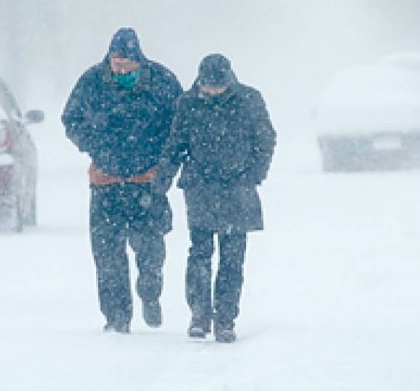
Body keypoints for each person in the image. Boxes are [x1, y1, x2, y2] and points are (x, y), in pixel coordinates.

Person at [61, 27, 182, 333]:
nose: (122, 68)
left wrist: (162, 162)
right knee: (107, 254)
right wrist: (95, 146)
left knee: (150, 249)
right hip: (106, 181)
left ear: (139, 59)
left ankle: (150, 292)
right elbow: (71, 119)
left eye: (128, 63)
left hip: (147, 181)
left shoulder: (162, 82)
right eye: (117, 62)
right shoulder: (92, 82)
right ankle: (117, 317)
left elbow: (179, 126)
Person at [153, 53, 276, 343]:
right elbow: (176, 144)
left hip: (238, 188)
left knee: (233, 259)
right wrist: (163, 180)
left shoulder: (249, 100)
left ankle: (225, 319)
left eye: (217, 87)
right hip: (200, 188)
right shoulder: (188, 103)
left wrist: (255, 174)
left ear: (229, 80)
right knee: (199, 254)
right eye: (207, 87)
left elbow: (266, 138)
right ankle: (199, 314)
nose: (211, 91)